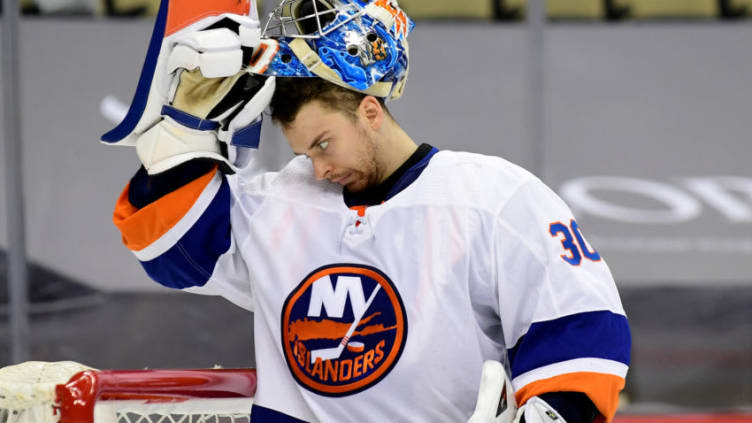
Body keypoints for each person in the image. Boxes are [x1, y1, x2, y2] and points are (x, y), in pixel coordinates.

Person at [105, 0, 631, 421]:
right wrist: (182, 136)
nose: (317, 169)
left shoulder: (495, 199)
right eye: (303, 153)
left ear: (370, 110)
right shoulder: (274, 206)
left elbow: (579, 329)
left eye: (324, 144)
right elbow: (167, 248)